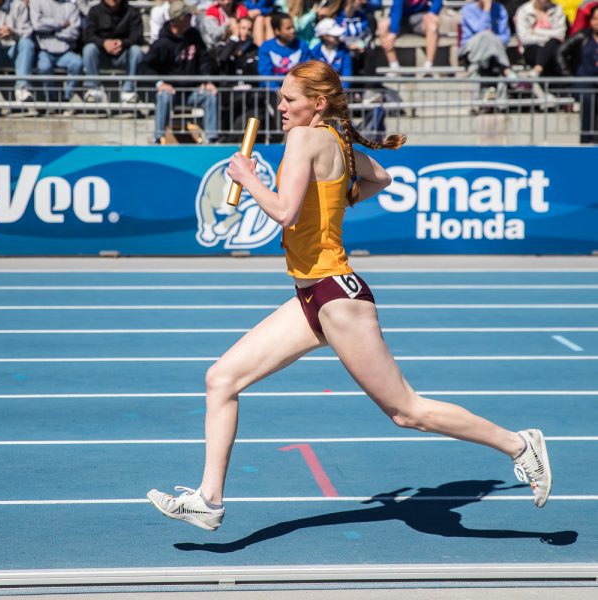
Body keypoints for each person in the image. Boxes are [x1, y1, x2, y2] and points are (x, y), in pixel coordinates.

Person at [147, 59, 552, 531]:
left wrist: (246, 176)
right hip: (311, 296)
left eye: (289, 99)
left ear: (317, 103)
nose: (280, 107)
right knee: (221, 379)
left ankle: (521, 445)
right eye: (279, 98)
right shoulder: (336, 138)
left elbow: (282, 211)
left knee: (407, 411)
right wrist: (335, 202)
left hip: (336, 294)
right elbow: (381, 179)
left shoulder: (304, 138)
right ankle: (209, 499)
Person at [140, 0, 219, 144]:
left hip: (191, 90)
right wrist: (160, 83)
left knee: (210, 95)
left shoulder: (194, 35)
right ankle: (158, 138)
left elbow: (204, 60)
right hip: (172, 92)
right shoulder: (163, 42)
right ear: (180, 19)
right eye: (188, 15)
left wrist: (206, 81)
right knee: (163, 96)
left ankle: (212, 139)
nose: (191, 17)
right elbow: (145, 66)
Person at [82, 0, 143, 103]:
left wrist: (122, 43)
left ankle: (128, 90)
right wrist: (104, 43)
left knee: (136, 51)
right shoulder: (95, 11)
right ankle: (93, 89)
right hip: (102, 56)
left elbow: (138, 37)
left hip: (124, 56)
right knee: (89, 49)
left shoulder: (132, 12)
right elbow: (88, 36)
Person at [29, 0, 84, 103]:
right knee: (44, 67)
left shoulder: (71, 6)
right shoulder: (37, 2)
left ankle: (68, 97)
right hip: (45, 51)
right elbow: (37, 25)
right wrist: (61, 24)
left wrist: (52, 32)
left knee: (77, 63)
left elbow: (74, 32)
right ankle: (51, 99)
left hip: (66, 50)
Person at [558, 2, 598, 143]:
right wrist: (568, 76)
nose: (597, 22)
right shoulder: (583, 36)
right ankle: (586, 139)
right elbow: (560, 52)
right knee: (588, 99)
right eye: (594, 19)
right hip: (584, 81)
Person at [377, 0, 442, 73]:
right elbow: (397, 8)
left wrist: (432, 12)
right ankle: (394, 67)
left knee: (433, 24)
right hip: (400, 18)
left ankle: (428, 67)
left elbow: (438, 2)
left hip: (420, 16)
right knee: (383, 26)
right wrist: (393, 32)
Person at [257, 11, 312, 88]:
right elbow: (265, 73)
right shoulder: (266, 47)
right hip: (272, 94)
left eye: (293, 27)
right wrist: (277, 90)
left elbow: (307, 70)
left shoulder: (302, 45)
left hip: (297, 90)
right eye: (288, 28)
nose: (293, 30)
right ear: (277, 31)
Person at [514, 0, 567, 78]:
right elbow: (524, 38)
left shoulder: (557, 9)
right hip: (531, 48)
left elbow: (561, 34)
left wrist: (536, 31)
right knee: (548, 49)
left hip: (553, 46)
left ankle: (538, 69)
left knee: (552, 44)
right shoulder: (523, 11)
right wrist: (549, 37)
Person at [310, 17, 352, 84]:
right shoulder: (315, 52)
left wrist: (341, 92)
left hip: (339, 90)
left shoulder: (344, 51)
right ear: (324, 36)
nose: (338, 36)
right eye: (334, 35)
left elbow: (347, 74)